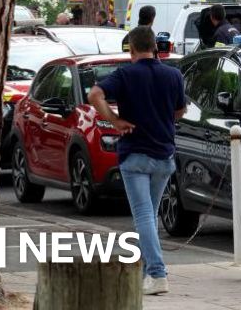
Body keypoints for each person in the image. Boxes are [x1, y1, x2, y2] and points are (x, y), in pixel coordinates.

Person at [88, 27, 184, 296]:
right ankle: (144, 273)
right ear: (155, 47)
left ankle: (157, 272)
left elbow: (94, 95)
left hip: (135, 154)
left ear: (131, 49)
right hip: (164, 154)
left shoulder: (125, 74)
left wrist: (114, 120)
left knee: (143, 215)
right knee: (150, 216)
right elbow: (180, 109)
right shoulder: (173, 75)